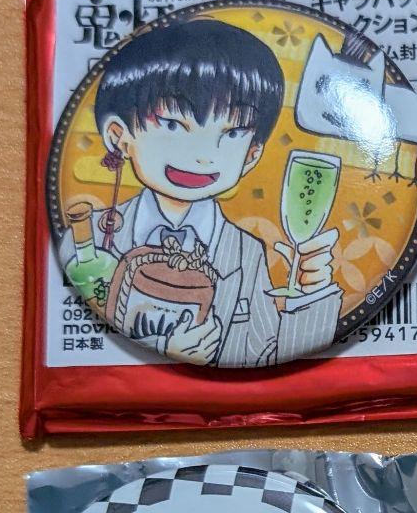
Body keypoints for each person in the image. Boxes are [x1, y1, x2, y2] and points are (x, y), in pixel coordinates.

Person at [59, 18, 341, 366]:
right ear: (120, 136)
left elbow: (268, 354)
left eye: (233, 132)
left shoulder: (246, 252)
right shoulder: (84, 240)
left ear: (252, 155)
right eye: (172, 124)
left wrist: (310, 294)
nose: (203, 155)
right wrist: (164, 350)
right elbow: (75, 339)